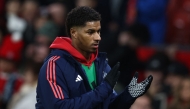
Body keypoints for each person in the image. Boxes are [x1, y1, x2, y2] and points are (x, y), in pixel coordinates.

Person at [35, 6, 153, 109]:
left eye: (98, 32)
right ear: (74, 33)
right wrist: (103, 90)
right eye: (90, 32)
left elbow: (107, 106)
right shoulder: (55, 65)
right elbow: (59, 107)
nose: (97, 38)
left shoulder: (100, 64)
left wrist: (127, 96)